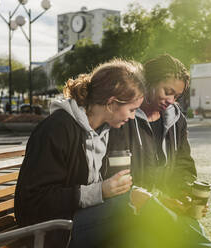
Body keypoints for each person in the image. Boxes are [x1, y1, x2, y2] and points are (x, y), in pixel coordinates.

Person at [14, 59, 146, 248]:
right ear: (111, 103)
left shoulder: (106, 131)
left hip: (80, 219)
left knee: (140, 207)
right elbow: (33, 202)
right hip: (50, 229)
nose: (133, 116)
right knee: (130, 208)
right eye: (132, 109)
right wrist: (100, 191)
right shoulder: (56, 129)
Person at [108, 54, 211, 247]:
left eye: (177, 96)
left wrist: (185, 193)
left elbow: (183, 165)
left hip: (167, 208)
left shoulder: (177, 121)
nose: (171, 100)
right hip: (131, 213)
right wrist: (158, 201)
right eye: (167, 91)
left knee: (195, 236)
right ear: (148, 81)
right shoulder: (123, 119)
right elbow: (115, 178)